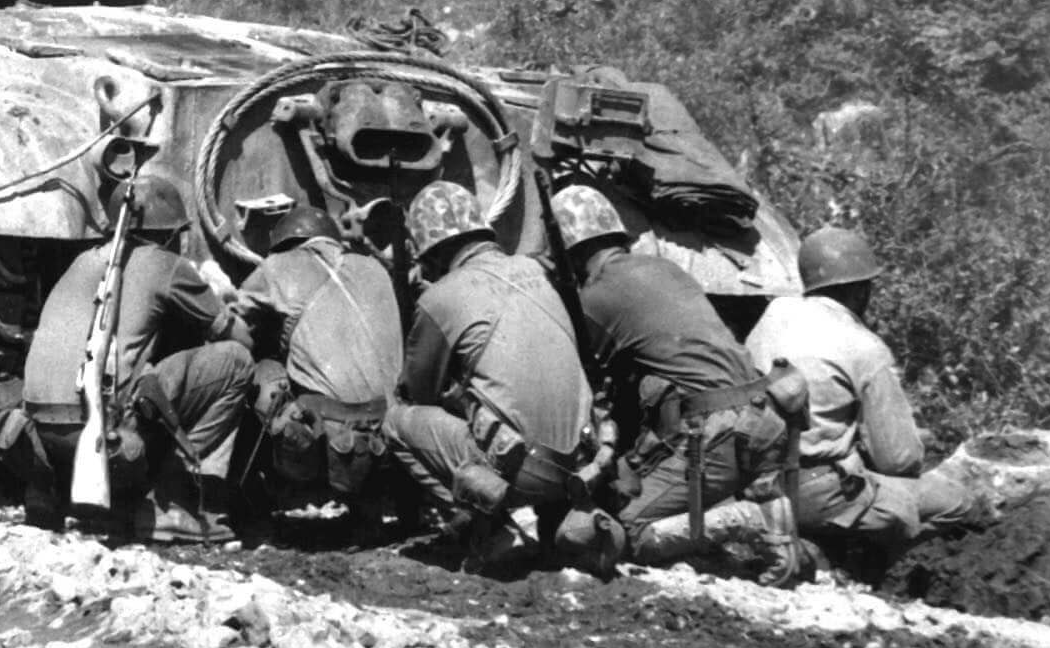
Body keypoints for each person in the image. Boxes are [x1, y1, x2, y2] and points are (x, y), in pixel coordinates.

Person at [548, 183, 798, 573]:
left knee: (630, 528)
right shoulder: (664, 268)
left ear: (571, 251)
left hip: (718, 431)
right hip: (765, 417)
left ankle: (751, 521)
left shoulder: (597, 297)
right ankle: (769, 531)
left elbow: (581, 384)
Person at [384, 182, 614, 574]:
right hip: (582, 462)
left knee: (396, 421)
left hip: (519, 469)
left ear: (432, 251)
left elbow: (418, 392)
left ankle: (489, 528)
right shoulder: (534, 270)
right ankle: (569, 523)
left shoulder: (440, 296)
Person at [745, 223, 987, 563]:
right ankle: (853, 560)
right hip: (811, 494)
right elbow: (898, 460)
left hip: (751, 480)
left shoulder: (773, 315)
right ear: (860, 291)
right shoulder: (864, 346)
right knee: (956, 503)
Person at [101, 172, 255, 543]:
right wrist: (227, 302)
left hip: (69, 420)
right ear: (171, 233)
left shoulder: (92, 262)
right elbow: (240, 340)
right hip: (120, 419)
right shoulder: (167, 264)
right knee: (235, 362)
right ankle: (173, 500)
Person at [228, 192, 403, 514]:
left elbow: (232, 325)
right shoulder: (374, 267)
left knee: (255, 368)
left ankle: (257, 495)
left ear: (284, 244)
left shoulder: (277, 266)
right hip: (393, 436)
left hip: (323, 440)